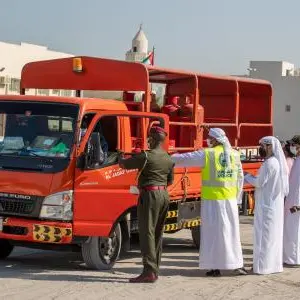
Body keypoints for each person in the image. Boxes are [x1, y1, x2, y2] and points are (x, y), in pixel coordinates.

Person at [172, 128, 246, 277]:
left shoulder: (208, 154)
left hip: (213, 202)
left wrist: (167, 158)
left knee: (212, 235)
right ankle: (235, 265)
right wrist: (237, 199)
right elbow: (240, 178)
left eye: (209, 138)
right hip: (230, 201)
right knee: (231, 234)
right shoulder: (235, 155)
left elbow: (185, 158)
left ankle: (214, 267)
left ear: (215, 139)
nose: (207, 140)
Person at [118, 126, 174, 283]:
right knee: (157, 232)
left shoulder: (146, 156)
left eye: (149, 138)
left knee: (147, 232)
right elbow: (170, 181)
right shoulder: (168, 157)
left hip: (150, 195)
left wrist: (120, 156)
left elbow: (124, 165)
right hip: (164, 195)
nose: (148, 140)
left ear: (153, 139)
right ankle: (154, 269)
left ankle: (149, 271)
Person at [244, 136, 289, 274]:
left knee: (264, 238)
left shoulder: (269, 163)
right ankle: (271, 266)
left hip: (266, 207)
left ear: (270, 146)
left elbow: (258, 182)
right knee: (272, 238)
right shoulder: (277, 163)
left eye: (263, 145)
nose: (261, 148)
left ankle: (262, 267)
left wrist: (246, 175)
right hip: (273, 207)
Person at [283, 135, 300, 265]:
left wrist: (298, 205)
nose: (292, 147)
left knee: (295, 232)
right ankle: (291, 257)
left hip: (296, 205)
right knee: (290, 232)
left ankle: (294, 259)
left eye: (294, 145)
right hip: (292, 202)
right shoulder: (297, 159)